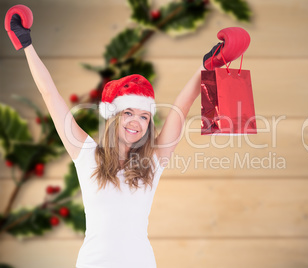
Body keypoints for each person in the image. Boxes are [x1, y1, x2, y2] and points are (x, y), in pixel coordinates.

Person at [5, 4, 250, 268]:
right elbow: (49, 94)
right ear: (114, 116)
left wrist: (208, 65)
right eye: (129, 113)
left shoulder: (153, 163)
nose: (136, 121)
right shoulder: (86, 154)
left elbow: (183, 104)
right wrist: (27, 44)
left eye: (144, 116)